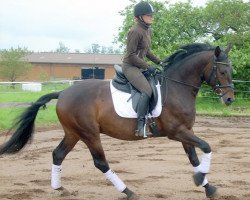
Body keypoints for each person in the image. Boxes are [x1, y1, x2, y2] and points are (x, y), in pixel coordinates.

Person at [122, 1, 162, 137]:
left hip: (140, 66)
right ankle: (140, 126)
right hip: (131, 67)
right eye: (148, 15)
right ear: (139, 17)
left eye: (151, 15)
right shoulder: (134, 31)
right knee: (147, 90)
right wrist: (148, 66)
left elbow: (147, 51)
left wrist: (160, 62)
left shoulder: (147, 30)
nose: (151, 17)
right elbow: (131, 55)